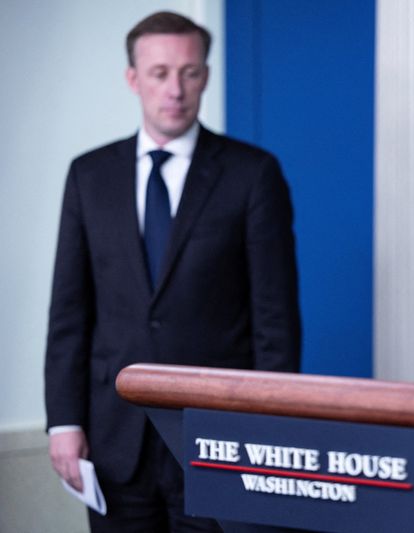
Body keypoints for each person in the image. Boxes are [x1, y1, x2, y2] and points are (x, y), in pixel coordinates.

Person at [44, 11, 301, 531]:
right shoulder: (89, 176)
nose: (176, 89)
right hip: (113, 439)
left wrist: (269, 430)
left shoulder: (252, 174)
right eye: (160, 73)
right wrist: (63, 422)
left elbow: (276, 320)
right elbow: (69, 313)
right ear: (134, 79)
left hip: (218, 439)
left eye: (189, 72)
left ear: (205, 76)